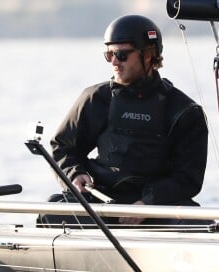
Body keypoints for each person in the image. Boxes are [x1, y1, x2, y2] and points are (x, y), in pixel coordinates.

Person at [42, 15, 208, 227]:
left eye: (121, 54)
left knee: (194, 223)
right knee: (52, 210)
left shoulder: (185, 111)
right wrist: (76, 173)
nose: (114, 62)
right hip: (102, 203)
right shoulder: (96, 98)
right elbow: (63, 147)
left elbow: (188, 178)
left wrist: (148, 203)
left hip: (157, 207)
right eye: (109, 54)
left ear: (148, 55)